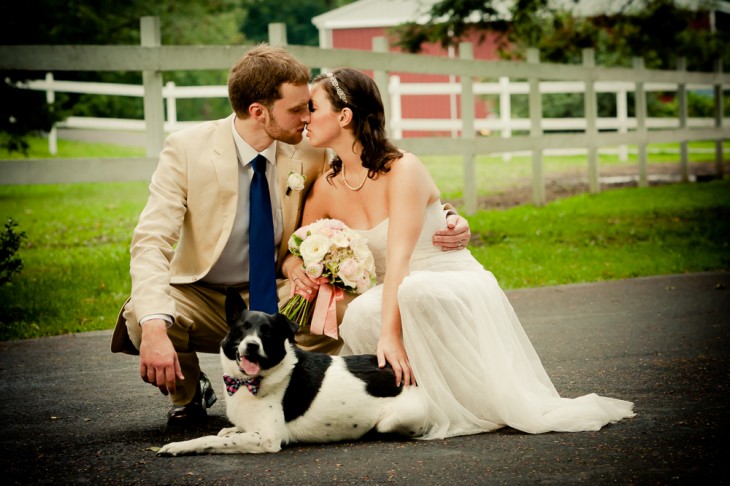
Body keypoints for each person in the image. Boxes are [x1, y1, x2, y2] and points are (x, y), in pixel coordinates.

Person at [110, 46, 472, 426]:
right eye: (298, 109)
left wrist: (443, 217)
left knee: (347, 307)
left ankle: (311, 393)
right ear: (258, 111)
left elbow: (373, 182)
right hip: (203, 294)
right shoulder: (186, 149)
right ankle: (188, 395)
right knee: (141, 313)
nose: (306, 118)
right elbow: (150, 241)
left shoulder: (310, 150)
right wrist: (154, 326)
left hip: (280, 291)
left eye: (310, 108)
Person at [296, 67, 635, 439]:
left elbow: (399, 261)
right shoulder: (327, 185)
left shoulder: (402, 168)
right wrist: (301, 266)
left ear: (344, 116)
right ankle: (408, 402)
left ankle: (469, 405)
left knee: (414, 292)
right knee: (360, 312)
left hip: (449, 280)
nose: (304, 117)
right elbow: (299, 246)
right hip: (399, 286)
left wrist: (390, 334)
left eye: (312, 107)